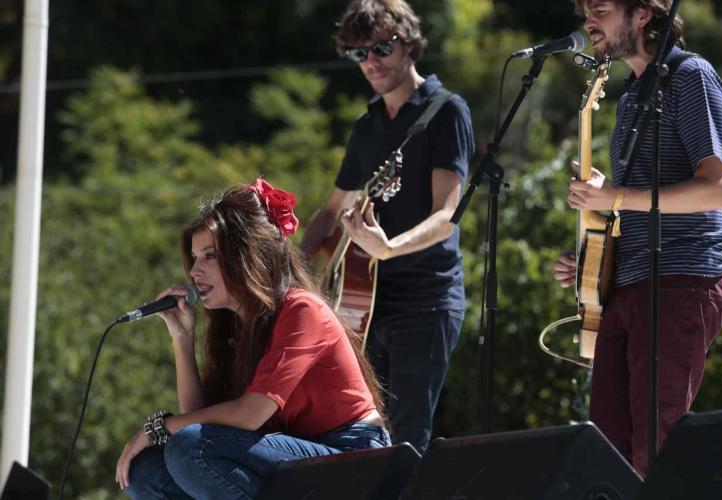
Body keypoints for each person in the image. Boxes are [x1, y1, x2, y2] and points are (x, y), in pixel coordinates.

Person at [115, 179, 390, 499]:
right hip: (292, 453)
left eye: (209, 257)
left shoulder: (302, 310)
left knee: (190, 449)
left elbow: (248, 415)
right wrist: (182, 339)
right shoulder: (235, 328)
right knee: (144, 472)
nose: (193, 272)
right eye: (193, 259)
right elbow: (198, 419)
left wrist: (160, 427)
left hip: (351, 455)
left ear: (248, 257)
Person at [553, 0, 722, 476]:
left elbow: (716, 190)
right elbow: (632, 204)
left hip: (682, 279)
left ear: (642, 15)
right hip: (627, 285)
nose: (588, 21)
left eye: (601, 9)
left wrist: (616, 195)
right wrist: (595, 258)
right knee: (605, 451)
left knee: (657, 449)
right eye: (586, 12)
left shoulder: (690, 76)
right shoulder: (632, 96)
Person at [300, 0, 474, 454]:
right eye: (360, 54)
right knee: (360, 436)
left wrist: (388, 246)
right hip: (364, 306)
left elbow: (447, 216)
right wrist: (294, 274)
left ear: (410, 45)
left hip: (426, 298)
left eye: (381, 48)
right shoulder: (367, 126)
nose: (372, 62)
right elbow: (331, 210)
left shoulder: (446, 112)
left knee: (406, 440)